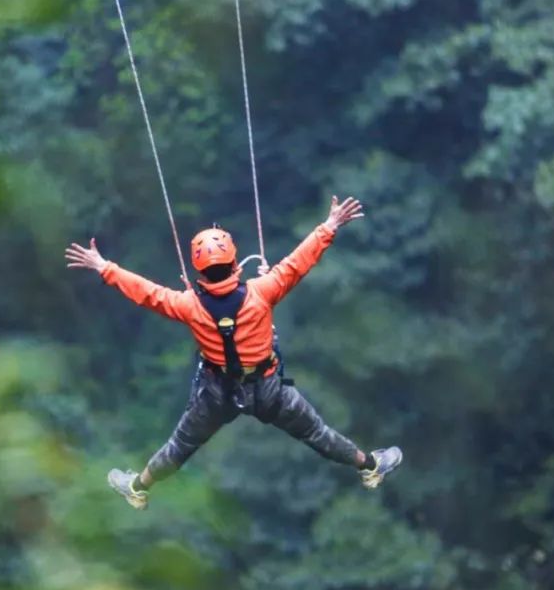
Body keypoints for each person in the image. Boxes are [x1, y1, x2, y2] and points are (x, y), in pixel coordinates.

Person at [65, 196, 402, 510]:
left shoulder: (188, 305)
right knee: (317, 433)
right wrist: (329, 225)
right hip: (270, 388)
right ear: (235, 264)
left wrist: (104, 266)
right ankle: (370, 467)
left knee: (181, 445)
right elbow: (299, 262)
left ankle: (138, 487)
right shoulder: (262, 291)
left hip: (218, 393)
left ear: (199, 271)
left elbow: (146, 293)